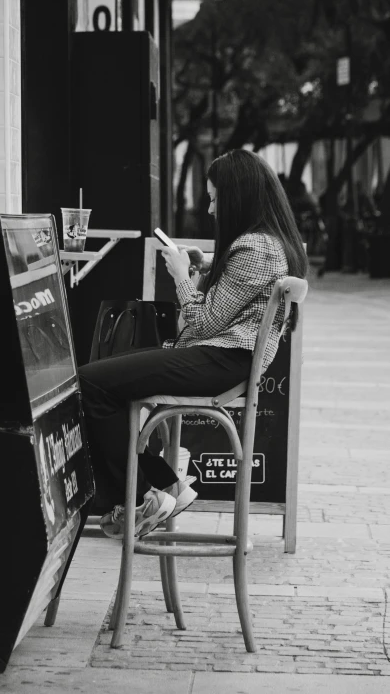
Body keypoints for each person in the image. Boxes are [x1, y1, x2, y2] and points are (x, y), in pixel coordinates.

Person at [78, 149, 308, 540]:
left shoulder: (256, 247)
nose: (213, 209)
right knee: (103, 378)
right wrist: (201, 271)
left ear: (239, 197)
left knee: (90, 382)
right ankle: (166, 486)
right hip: (223, 357)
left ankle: (140, 499)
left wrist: (181, 276)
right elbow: (223, 310)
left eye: (216, 198)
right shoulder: (272, 243)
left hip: (224, 360)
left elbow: (203, 323)